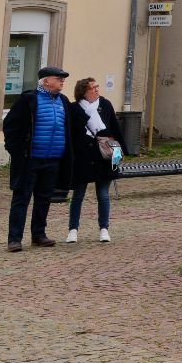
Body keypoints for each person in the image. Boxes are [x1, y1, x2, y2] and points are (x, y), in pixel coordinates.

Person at [1, 66, 79, 251]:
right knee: (21, 198)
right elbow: (11, 126)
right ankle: (14, 238)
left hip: (53, 158)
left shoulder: (63, 101)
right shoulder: (29, 99)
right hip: (30, 159)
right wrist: (17, 151)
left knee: (44, 198)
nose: (62, 81)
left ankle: (39, 234)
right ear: (46, 81)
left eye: (63, 79)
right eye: (58, 78)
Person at [67, 76, 119, 243]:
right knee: (78, 195)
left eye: (97, 87)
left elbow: (116, 132)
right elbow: (71, 134)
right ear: (83, 92)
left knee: (103, 195)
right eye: (93, 88)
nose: (97, 90)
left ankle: (104, 228)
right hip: (82, 157)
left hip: (104, 157)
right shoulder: (74, 108)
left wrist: (116, 159)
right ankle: (73, 229)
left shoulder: (105, 105)